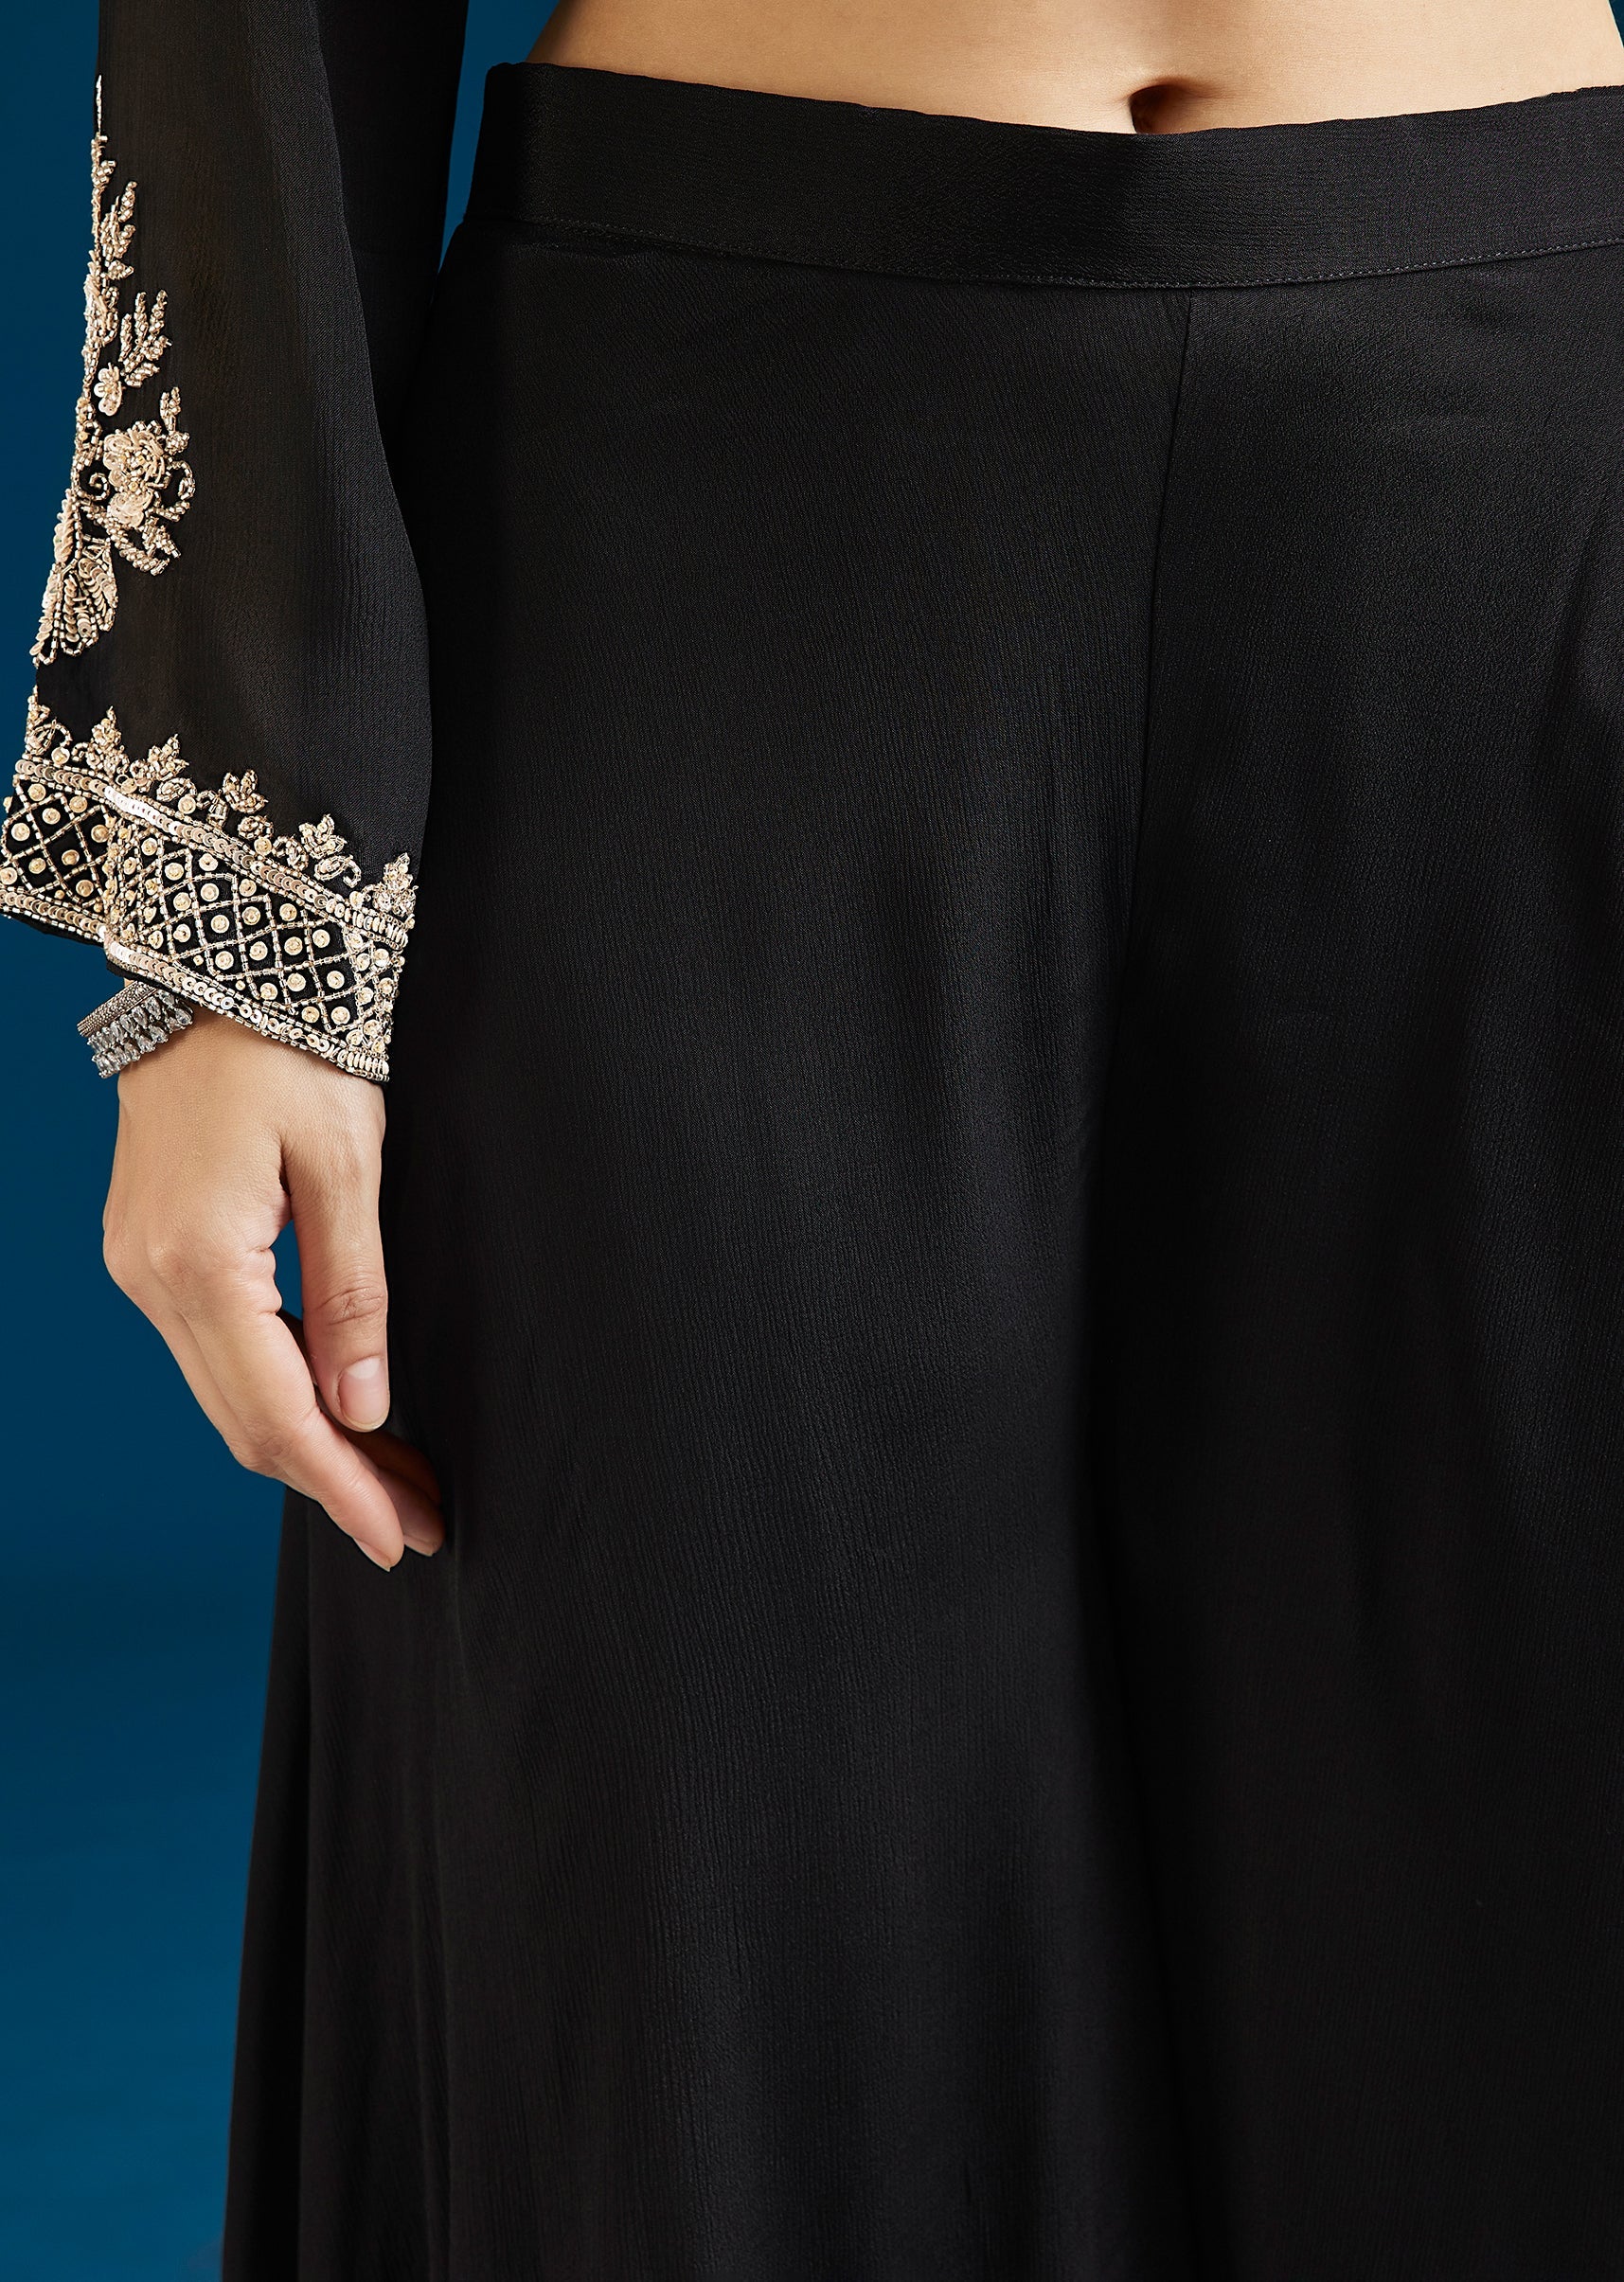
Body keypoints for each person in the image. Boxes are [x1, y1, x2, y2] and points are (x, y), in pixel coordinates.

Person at [8, 0, 1624, 2271]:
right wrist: (226, 913)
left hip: (1529, 486)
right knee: (691, 1926)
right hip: (709, 495)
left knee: (1529, 1920)